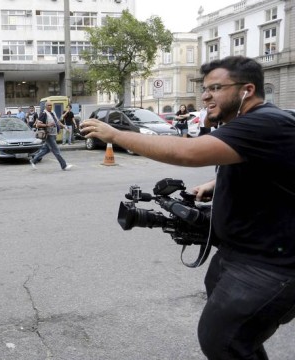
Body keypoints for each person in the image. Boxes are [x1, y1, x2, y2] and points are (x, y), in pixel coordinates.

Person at [81, 56, 295, 360]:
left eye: (216, 88)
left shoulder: (266, 122)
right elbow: (260, 165)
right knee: (237, 342)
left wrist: (116, 135)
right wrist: (215, 182)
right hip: (237, 255)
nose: (205, 95)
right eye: (205, 89)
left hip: (270, 267)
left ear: (247, 90)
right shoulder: (248, 124)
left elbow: (190, 152)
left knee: (222, 342)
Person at [30, 102, 73, 171]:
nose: (50, 106)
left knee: (45, 150)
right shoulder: (43, 114)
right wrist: (48, 125)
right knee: (56, 151)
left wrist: (64, 126)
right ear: (45, 106)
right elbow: (38, 125)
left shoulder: (53, 112)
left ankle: (33, 160)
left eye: (51, 105)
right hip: (48, 135)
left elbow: (57, 121)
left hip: (53, 135)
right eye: (48, 105)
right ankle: (64, 166)